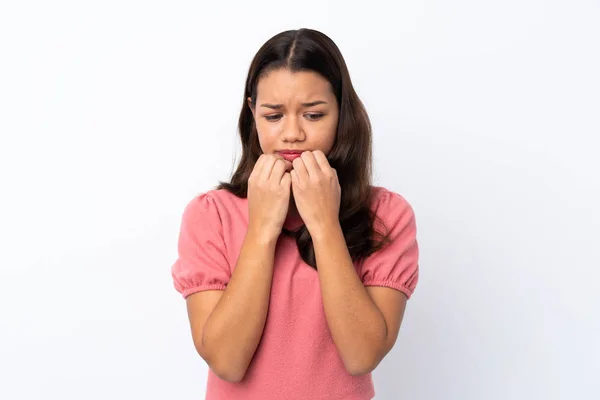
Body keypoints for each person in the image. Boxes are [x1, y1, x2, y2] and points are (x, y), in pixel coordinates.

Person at [171, 28, 419, 400]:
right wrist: (262, 229)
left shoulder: (387, 214)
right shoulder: (211, 216)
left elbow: (362, 355)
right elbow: (227, 362)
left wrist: (324, 223)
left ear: (341, 113)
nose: (292, 134)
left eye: (314, 115)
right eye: (273, 116)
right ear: (252, 113)